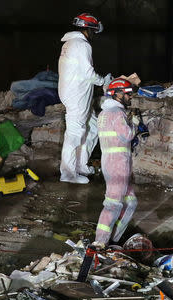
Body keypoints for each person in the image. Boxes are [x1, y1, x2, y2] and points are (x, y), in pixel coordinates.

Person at [58, 13, 112, 184]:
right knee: (74, 133)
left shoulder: (69, 43)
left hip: (73, 93)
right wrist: (104, 81)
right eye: (94, 31)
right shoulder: (82, 45)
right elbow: (88, 74)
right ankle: (68, 173)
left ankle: (80, 164)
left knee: (92, 126)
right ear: (90, 29)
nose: (94, 35)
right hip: (77, 95)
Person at [95, 78, 139, 246]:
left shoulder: (104, 113)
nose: (130, 97)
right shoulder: (117, 113)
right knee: (113, 204)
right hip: (118, 166)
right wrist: (134, 124)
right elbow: (126, 135)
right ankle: (100, 243)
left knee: (131, 202)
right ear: (118, 94)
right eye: (128, 94)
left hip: (111, 163)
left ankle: (114, 239)